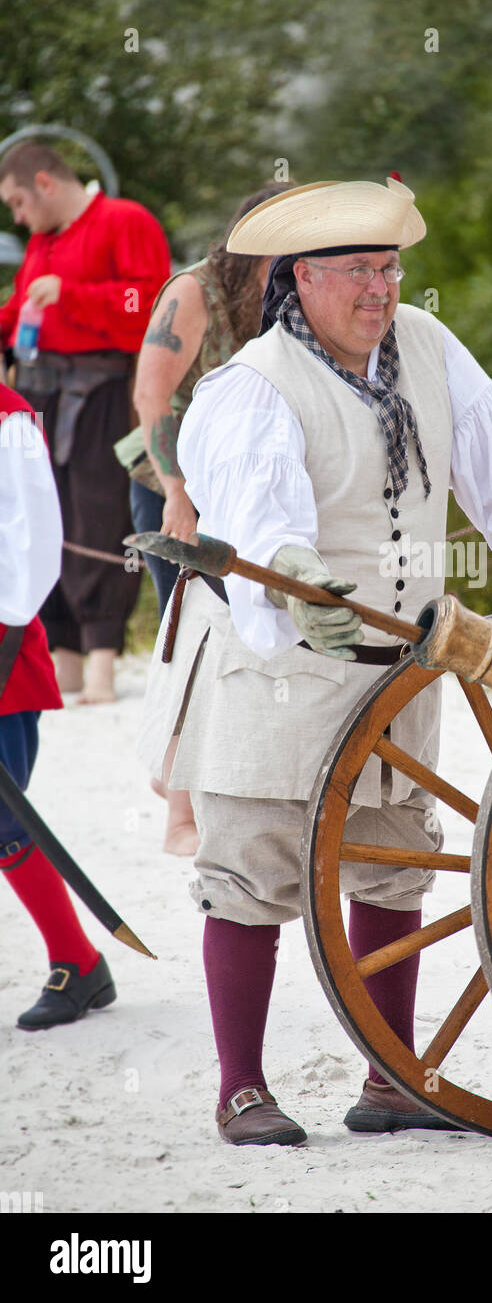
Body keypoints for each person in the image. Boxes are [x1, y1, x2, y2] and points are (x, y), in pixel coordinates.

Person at [138, 176, 492, 1148]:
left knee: (392, 865)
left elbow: (491, 452)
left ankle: (390, 1079)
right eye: (355, 270)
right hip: (274, 664)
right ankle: (240, 1088)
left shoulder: (428, 349)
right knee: (252, 870)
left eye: (388, 268)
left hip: (402, 663)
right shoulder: (251, 385)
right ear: (298, 279)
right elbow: (255, 518)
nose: (379, 289)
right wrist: (294, 576)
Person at [115, 183, 288, 855]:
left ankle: (209, 781)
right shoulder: (193, 291)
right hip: (173, 482)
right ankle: (179, 817)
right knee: (189, 644)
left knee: (245, 641)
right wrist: (178, 493)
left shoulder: (292, 290)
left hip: (243, 484)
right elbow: (151, 396)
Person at [0, 141, 171, 703]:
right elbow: (22, 313)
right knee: (45, 513)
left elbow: (148, 305)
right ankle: (64, 655)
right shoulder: (44, 242)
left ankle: (101, 658)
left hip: (99, 389)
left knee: (98, 513)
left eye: (19, 201)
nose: (18, 217)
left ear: (45, 182)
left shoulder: (125, 220)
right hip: (37, 389)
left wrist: (74, 295)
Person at [0, 373, 116, 1028]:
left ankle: (79, 961)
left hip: (3, 653)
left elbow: (34, 557)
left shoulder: (9, 425)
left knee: (3, 818)